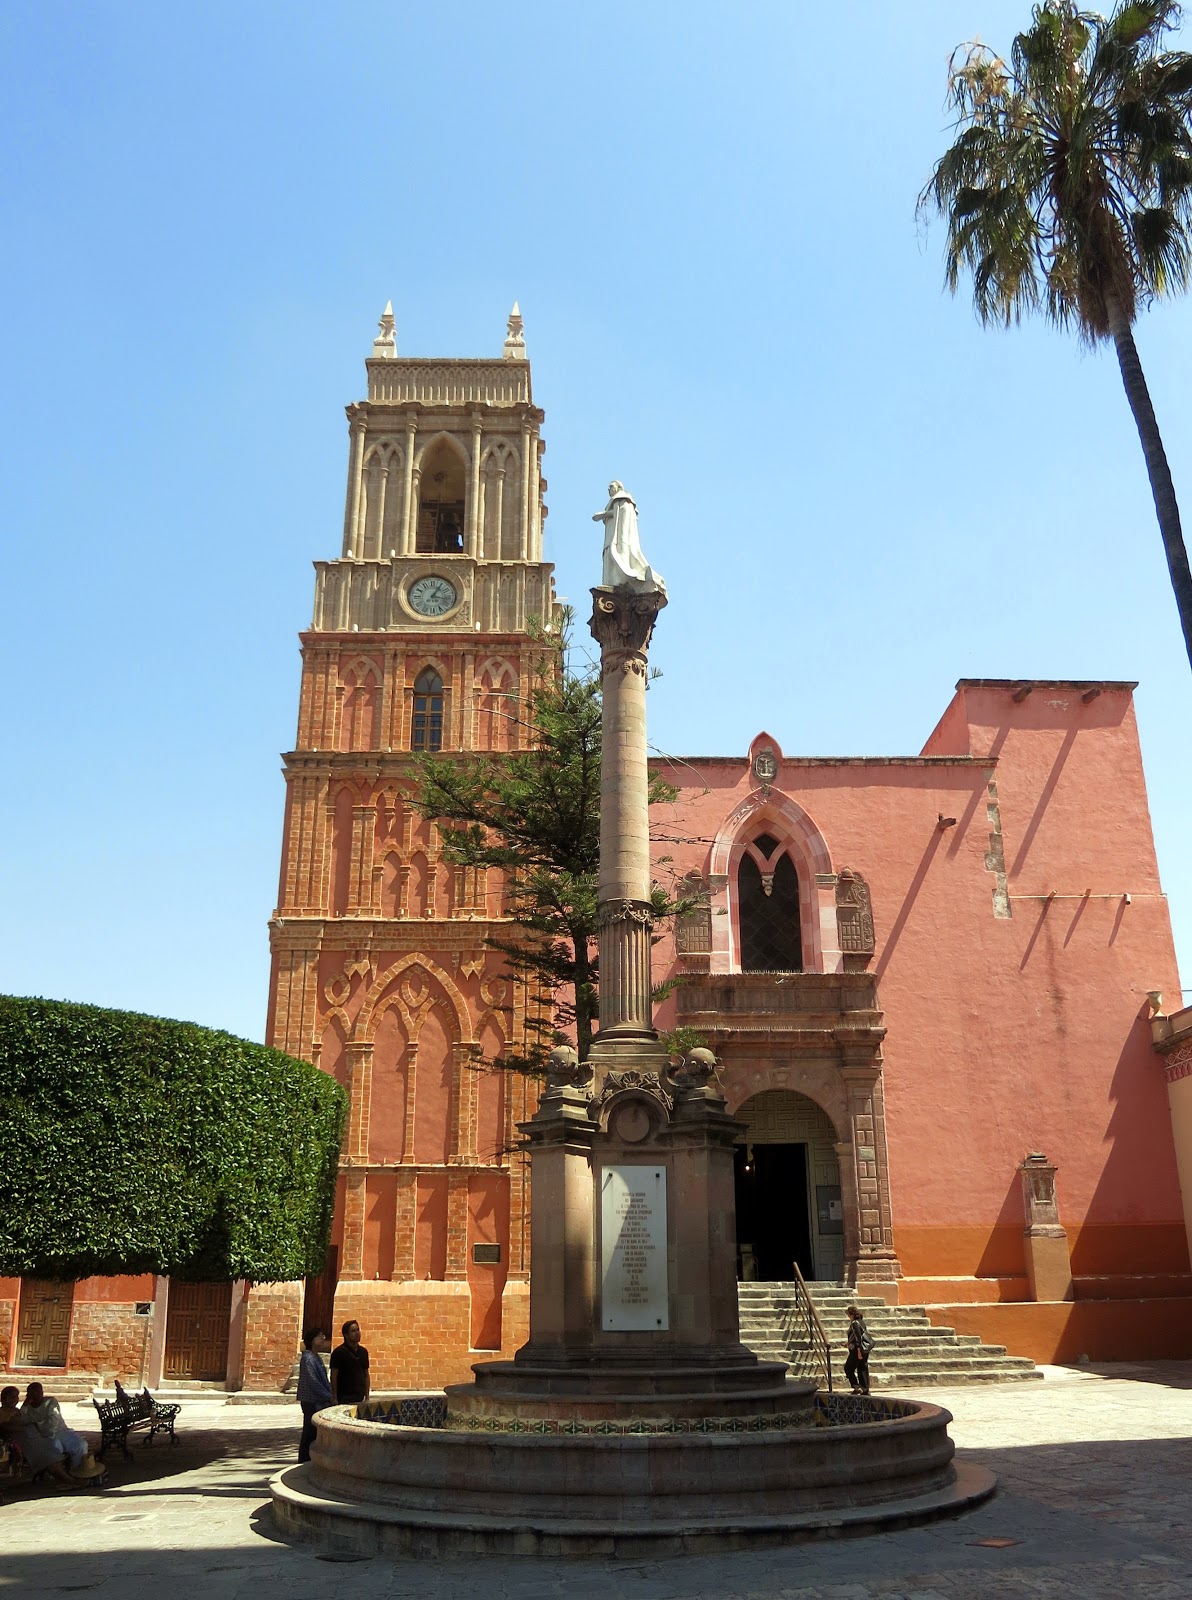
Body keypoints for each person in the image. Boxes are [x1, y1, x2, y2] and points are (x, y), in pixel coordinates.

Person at [592, 481, 666, 594]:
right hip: (610, 536)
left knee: (617, 555)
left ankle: (622, 581)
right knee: (610, 556)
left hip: (619, 538)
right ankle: (612, 582)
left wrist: (604, 514)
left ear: (618, 487)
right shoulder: (615, 501)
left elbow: (622, 513)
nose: (609, 489)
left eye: (611, 486)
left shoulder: (623, 499)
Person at [17, 1381, 88, 1485]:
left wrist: (37, 1423)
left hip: (61, 1431)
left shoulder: (51, 1402)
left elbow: (53, 1421)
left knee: (80, 1445)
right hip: (46, 1436)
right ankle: (60, 1474)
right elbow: (22, 1419)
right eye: (33, 1393)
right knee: (54, 1449)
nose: (36, 1395)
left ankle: (78, 1471)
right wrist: (25, 1404)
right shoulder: (27, 1409)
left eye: (38, 1392)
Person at [296, 1326, 332, 1463]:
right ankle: (304, 1459)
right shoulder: (308, 1359)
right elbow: (313, 1381)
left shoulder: (317, 1357)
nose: (323, 1338)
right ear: (312, 1340)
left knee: (314, 1432)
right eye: (320, 1336)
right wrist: (328, 1396)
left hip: (319, 1400)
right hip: (311, 1401)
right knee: (309, 1432)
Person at [329, 1319, 370, 1407]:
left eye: (358, 1330)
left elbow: (366, 1374)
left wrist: (367, 1396)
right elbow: (334, 1376)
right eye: (353, 1331)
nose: (357, 1333)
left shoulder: (363, 1352)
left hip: (359, 1397)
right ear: (346, 1335)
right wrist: (334, 1397)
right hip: (344, 1397)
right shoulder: (338, 1353)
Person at [844, 1305, 873, 1395]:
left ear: (851, 1315)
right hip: (865, 1349)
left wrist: (859, 1351)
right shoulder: (861, 1322)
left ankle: (856, 1387)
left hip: (857, 1350)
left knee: (848, 1368)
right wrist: (848, 1343)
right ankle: (865, 1389)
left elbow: (858, 1338)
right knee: (862, 1368)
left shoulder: (855, 1323)